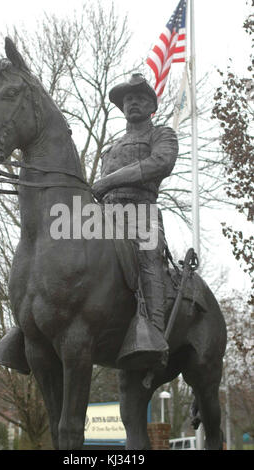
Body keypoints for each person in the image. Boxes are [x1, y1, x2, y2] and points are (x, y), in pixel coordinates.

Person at [92, 73, 178, 370]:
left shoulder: (161, 135)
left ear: (151, 105)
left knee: (148, 262)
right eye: (128, 100)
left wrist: (108, 182)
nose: (133, 103)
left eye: (140, 98)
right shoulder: (111, 148)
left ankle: (155, 340)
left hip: (141, 212)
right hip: (105, 215)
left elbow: (160, 163)